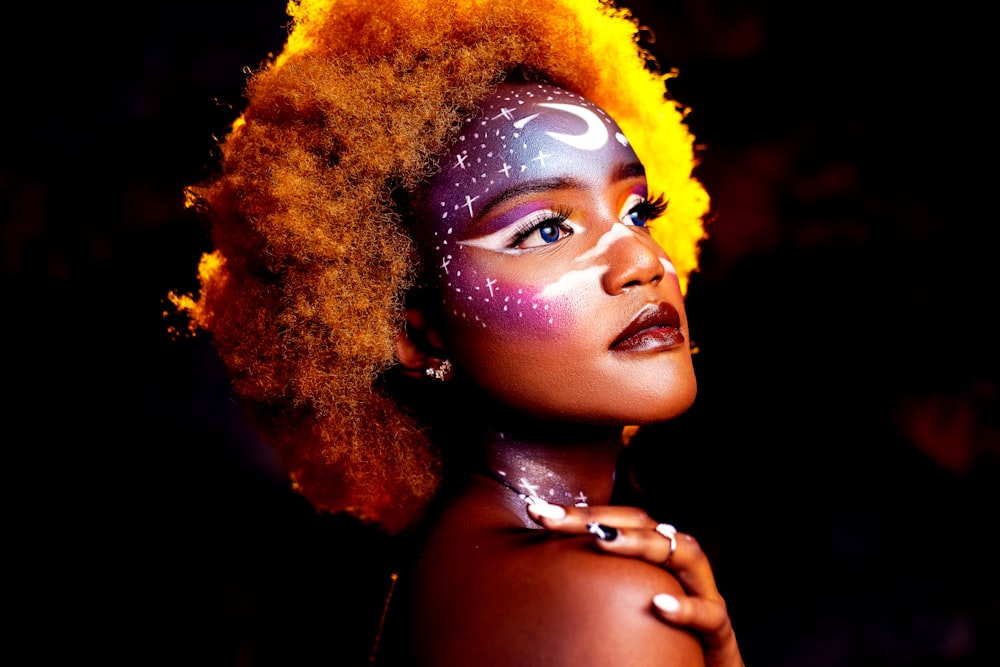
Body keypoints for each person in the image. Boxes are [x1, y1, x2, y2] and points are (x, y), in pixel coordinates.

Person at [170, 0, 744, 664]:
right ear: (417, 335)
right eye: (547, 230)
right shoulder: (603, 599)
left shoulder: (456, 565)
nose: (644, 261)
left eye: (637, 210)